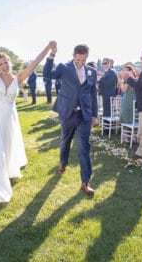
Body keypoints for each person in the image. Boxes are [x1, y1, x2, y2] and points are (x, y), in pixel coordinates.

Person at [0, 23, 56, 203]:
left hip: (9, 118)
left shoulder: (18, 78)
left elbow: (35, 63)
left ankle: (3, 171)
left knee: (6, 149)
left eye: (6, 62)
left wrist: (48, 48)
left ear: (10, 63)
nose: (4, 65)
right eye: (0, 63)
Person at [46, 44, 98, 195]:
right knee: (65, 141)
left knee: (84, 148)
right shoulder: (64, 67)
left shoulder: (92, 72)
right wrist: (52, 56)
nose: (80, 63)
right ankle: (63, 163)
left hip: (84, 116)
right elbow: (48, 74)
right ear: (73, 55)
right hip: (68, 113)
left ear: (87, 57)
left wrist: (94, 115)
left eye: (83, 60)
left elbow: (93, 95)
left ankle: (85, 182)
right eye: (78, 60)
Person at [99, 58, 118, 124]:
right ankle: (106, 127)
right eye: (103, 63)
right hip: (106, 94)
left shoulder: (111, 72)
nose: (104, 65)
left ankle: (107, 128)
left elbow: (109, 83)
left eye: (105, 63)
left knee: (108, 111)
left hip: (109, 94)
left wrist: (100, 79)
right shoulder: (107, 72)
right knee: (107, 110)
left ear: (109, 64)